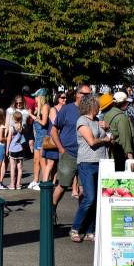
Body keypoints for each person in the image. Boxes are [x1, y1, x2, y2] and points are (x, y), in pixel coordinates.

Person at [71, 95, 112, 242]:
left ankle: (90, 230)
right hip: (87, 163)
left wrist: (107, 129)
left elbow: (108, 136)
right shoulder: (82, 121)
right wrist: (105, 139)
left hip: (101, 162)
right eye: (97, 105)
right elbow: (92, 141)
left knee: (96, 199)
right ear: (90, 106)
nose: (99, 107)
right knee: (89, 197)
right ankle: (75, 228)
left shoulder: (97, 121)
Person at [53, 84, 92, 214]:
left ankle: (81, 220)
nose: (87, 97)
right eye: (84, 94)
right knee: (63, 185)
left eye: (89, 94)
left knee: (83, 189)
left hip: (85, 155)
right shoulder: (67, 109)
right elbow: (54, 130)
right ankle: (51, 212)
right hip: (68, 153)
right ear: (77, 94)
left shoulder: (91, 110)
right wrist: (61, 149)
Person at [104, 91, 134, 169]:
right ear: (122, 103)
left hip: (110, 152)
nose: (128, 104)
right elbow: (125, 138)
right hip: (120, 154)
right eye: (127, 102)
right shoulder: (122, 117)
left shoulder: (107, 114)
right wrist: (130, 157)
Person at [38, 92, 63, 184]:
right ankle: (45, 184)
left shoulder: (64, 109)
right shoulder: (53, 109)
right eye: (62, 98)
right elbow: (55, 124)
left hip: (60, 139)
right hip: (52, 139)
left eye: (65, 98)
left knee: (56, 164)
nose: (64, 99)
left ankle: (53, 183)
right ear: (58, 99)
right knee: (50, 163)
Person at [29, 92, 52, 188]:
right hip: (37, 137)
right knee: (36, 160)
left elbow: (44, 122)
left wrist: (32, 115)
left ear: (40, 97)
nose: (35, 98)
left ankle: (44, 181)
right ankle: (35, 180)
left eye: (36, 96)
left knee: (43, 161)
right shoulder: (38, 108)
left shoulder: (45, 107)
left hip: (43, 136)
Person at [7, 111, 28, 189]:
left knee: (12, 167)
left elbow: (9, 139)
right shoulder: (21, 127)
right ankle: (18, 184)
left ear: (13, 118)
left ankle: (12, 184)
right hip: (20, 149)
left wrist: (7, 149)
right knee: (20, 168)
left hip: (12, 149)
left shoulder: (12, 128)